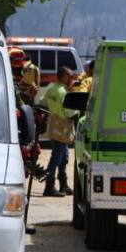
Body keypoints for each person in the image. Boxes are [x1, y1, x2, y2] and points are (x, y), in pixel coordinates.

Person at [44, 66, 77, 197]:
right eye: (70, 76)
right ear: (63, 76)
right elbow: (69, 112)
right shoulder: (64, 92)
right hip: (63, 129)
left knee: (64, 158)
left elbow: (43, 103)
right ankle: (49, 188)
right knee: (56, 159)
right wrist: (79, 110)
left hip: (54, 127)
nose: (72, 78)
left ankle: (64, 185)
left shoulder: (52, 88)